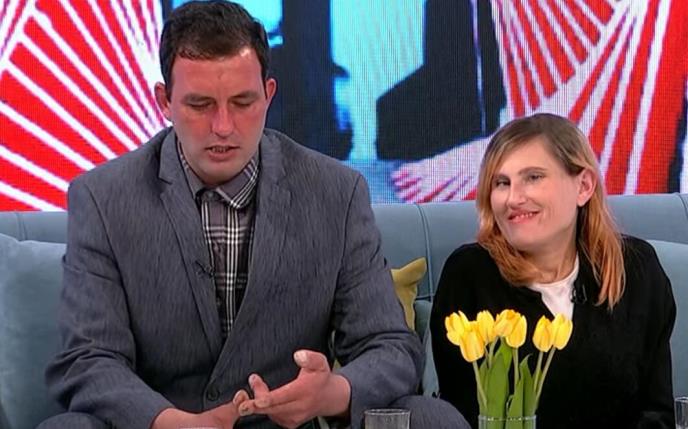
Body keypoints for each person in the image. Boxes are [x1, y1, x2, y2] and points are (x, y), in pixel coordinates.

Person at [38, 2, 468, 428]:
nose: (223, 127)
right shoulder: (103, 198)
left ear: (268, 94)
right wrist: (172, 422)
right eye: (200, 105)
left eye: (242, 102)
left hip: (291, 426)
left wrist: (331, 393)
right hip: (166, 424)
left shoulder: (336, 192)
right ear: (164, 101)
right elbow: (89, 359)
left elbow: (390, 346)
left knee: (432, 419)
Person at [430, 113, 676, 428]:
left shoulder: (637, 269)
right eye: (501, 183)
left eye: (533, 177)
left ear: (583, 186)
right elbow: (462, 415)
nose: (513, 199)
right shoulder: (469, 276)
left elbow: (659, 414)